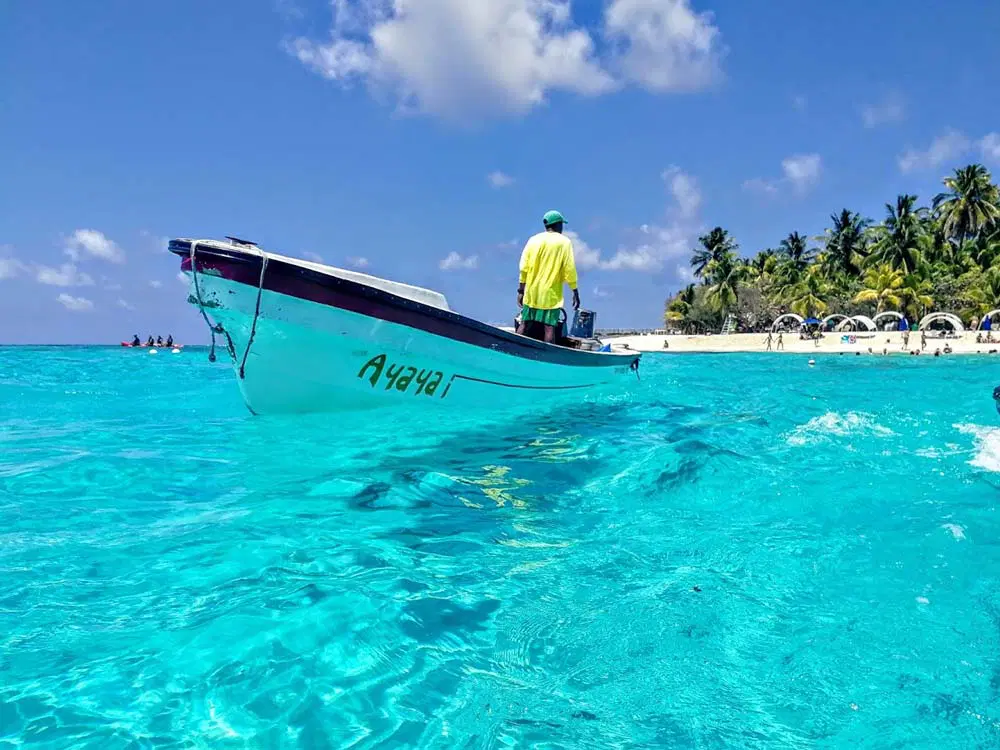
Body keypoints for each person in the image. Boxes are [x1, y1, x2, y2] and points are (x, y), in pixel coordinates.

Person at [517, 210, 579, 344]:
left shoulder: (533, 240)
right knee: (549, 328)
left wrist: (521, 290)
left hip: (532, 292)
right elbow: (569, 268)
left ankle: (512, 349)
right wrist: (574, 290)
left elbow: (523, 267)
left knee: (525, 324)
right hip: (550, 294)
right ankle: (546, 356)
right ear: (557, 225)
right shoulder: (564, 242)